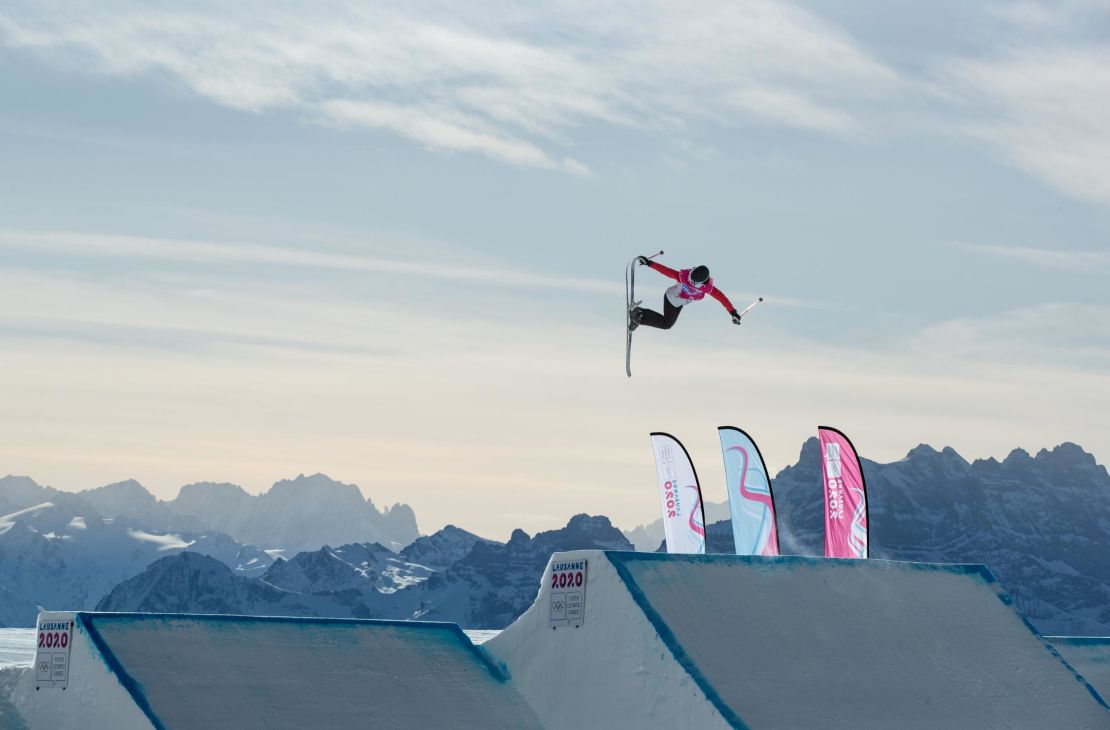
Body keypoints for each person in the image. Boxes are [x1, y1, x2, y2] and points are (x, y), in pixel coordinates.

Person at [630, 257, 743, 330]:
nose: (689, 280)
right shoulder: (684, 276)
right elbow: (667, 271)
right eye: (691, 276)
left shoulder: (707, 288)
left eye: (693, 281)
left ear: (701, 283)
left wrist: (732, 312)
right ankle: (639, 314)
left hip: (680, 302)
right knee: (666, 324)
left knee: (668, 324)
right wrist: (650, 263)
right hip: (671, 298)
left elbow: (721, 298)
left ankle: (640, 314)